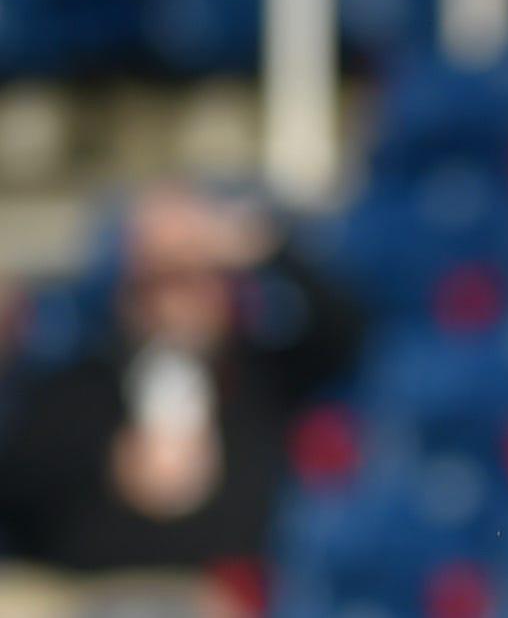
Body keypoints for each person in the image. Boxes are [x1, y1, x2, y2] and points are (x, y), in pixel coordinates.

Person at [0, 184, 365, 584]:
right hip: (91, 595)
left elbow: (346, 335)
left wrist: (259, 245)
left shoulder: (262, 376)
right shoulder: (76, 388)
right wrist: (109, 464)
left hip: (230, 596)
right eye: (157, 281)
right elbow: (24, 493)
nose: (176, 300)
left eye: (195, 279)